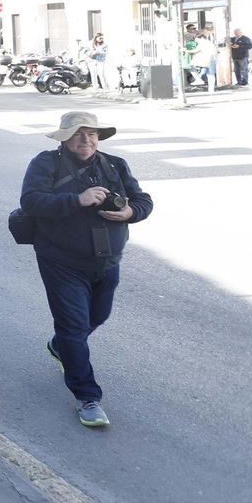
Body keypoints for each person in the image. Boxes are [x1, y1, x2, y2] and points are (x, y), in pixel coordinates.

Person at [21, 111, 153, 429]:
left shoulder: (114, 165)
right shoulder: (45, 163)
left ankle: (61, 346)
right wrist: (77, 200)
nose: (87, 139)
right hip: (61, 261)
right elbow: (31, 202)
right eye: (79, 133)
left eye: (92, 133)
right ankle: (87, 397)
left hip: (107, 261)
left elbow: (144, 200)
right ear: (65, 137)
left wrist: (130, 212)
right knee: (74, 327)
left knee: (98, 316)